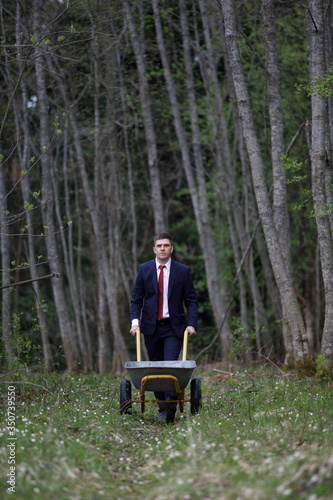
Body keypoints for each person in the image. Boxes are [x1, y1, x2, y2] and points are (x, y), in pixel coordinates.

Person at [130, 232, 198, 422]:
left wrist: (191, 324)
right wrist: (135, 324)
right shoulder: (144, 270)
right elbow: (136, 300)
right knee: (156, 368)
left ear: (171, 249)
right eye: (159, 246)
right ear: (154, 249)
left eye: (166, 245)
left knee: (170, 366)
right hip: (150, 328)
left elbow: (191, 301)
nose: (162, 248)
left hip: (174, 328)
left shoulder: (182, 271)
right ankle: (162, 408)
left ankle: (170, 408)